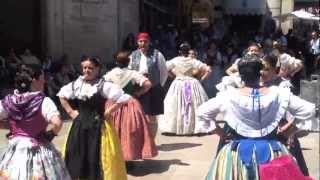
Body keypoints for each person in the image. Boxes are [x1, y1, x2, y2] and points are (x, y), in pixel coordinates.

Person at [196, 56, 316, 180]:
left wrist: (222, 133)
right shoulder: (278, 93)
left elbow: (202, 113)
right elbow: (309, 110)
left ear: (240, 75)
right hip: (273, 150)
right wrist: (288, 130)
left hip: (237, 153)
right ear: (259, 73)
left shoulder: (229, 95)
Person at [57, 56, 129, 180]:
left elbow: (122, 98)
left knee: (96, 156)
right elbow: (62, 95)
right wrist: (70, 111)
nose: (86, 70)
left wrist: (109, 111)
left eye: (90, 68)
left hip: (98, 126)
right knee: (75, 154)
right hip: (79, 126)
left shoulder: (103, 85)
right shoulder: (77, 84)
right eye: (84, 68)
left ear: (97, 69)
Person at [0, 64, 71, 179]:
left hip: (16, 151)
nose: (44, 82)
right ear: (34, 81)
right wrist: (51, 134)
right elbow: (57, 122)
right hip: (38, 148)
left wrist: (12, 127)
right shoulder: (43, 101)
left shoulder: (9, 101)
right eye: (42, 78)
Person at [104, 51, 158, 161]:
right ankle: (128, 157)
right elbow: (148, 84)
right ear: (128, 62)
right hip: (130, 103)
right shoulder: (133, 73)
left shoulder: (110, 74)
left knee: (114, 129)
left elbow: (101, 86)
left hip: (113, 104)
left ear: (116, 62)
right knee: (129, 131)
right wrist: (139, 93)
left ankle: (116, 157)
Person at [160, 43, 211, 135]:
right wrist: (200, 79)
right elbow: (208, 69)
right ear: (188, 52)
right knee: (191, 105)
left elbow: (164, 67)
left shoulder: (175, 60)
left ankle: (177, 127)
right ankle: (192, 127)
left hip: (179, 82)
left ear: (179, 52)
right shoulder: (193, 61)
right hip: (191, 83)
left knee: (177, 104)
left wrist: (173, 75)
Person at [129, 32, 168, 139]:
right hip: (139, 88)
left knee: (152, 117)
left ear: (149, 42)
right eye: (140, 41)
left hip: (154, 89)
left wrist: (158, 86)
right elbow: (129, 71)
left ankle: (151, 141)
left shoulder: (157, 54)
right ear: (137, 42)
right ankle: (142, 140)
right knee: (139, 115)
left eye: (145, 41)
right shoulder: (133, 55)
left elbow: (164, 72)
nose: (143, 44)